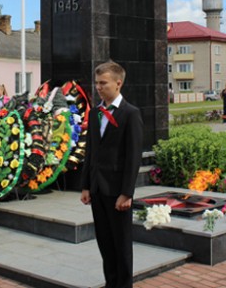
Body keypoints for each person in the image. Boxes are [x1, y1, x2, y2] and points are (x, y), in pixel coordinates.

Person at [80, 61, 143, 288]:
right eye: (97, 83)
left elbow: (133, 157)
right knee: (105, 243)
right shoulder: (96, 112)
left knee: (121, 244)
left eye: (103, 83)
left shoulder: (130, 114)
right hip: (97, 189)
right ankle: (111, 283)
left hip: (117, 192)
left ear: (118, 83)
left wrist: (127, 193)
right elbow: (91, 152)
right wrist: (86, 185)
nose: (98, 87)